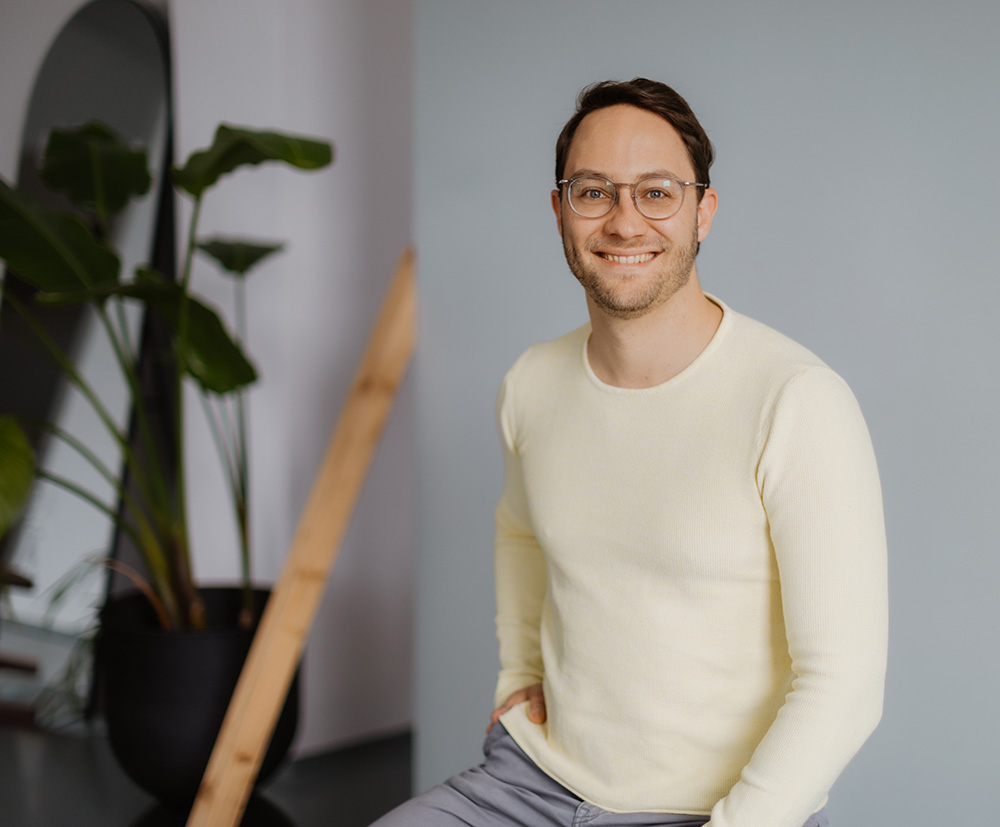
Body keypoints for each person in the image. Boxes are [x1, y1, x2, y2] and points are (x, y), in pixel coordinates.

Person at [372, 78, 887, 827]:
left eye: (656, 193)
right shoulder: (531, 383)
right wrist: (517, 672)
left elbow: (845, 685)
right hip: (530, 784)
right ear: (559, 211)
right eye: (593, 192)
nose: (623, 221)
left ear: (703, 211)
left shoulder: (797, 401)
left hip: (713, 809)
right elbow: (519, 530)